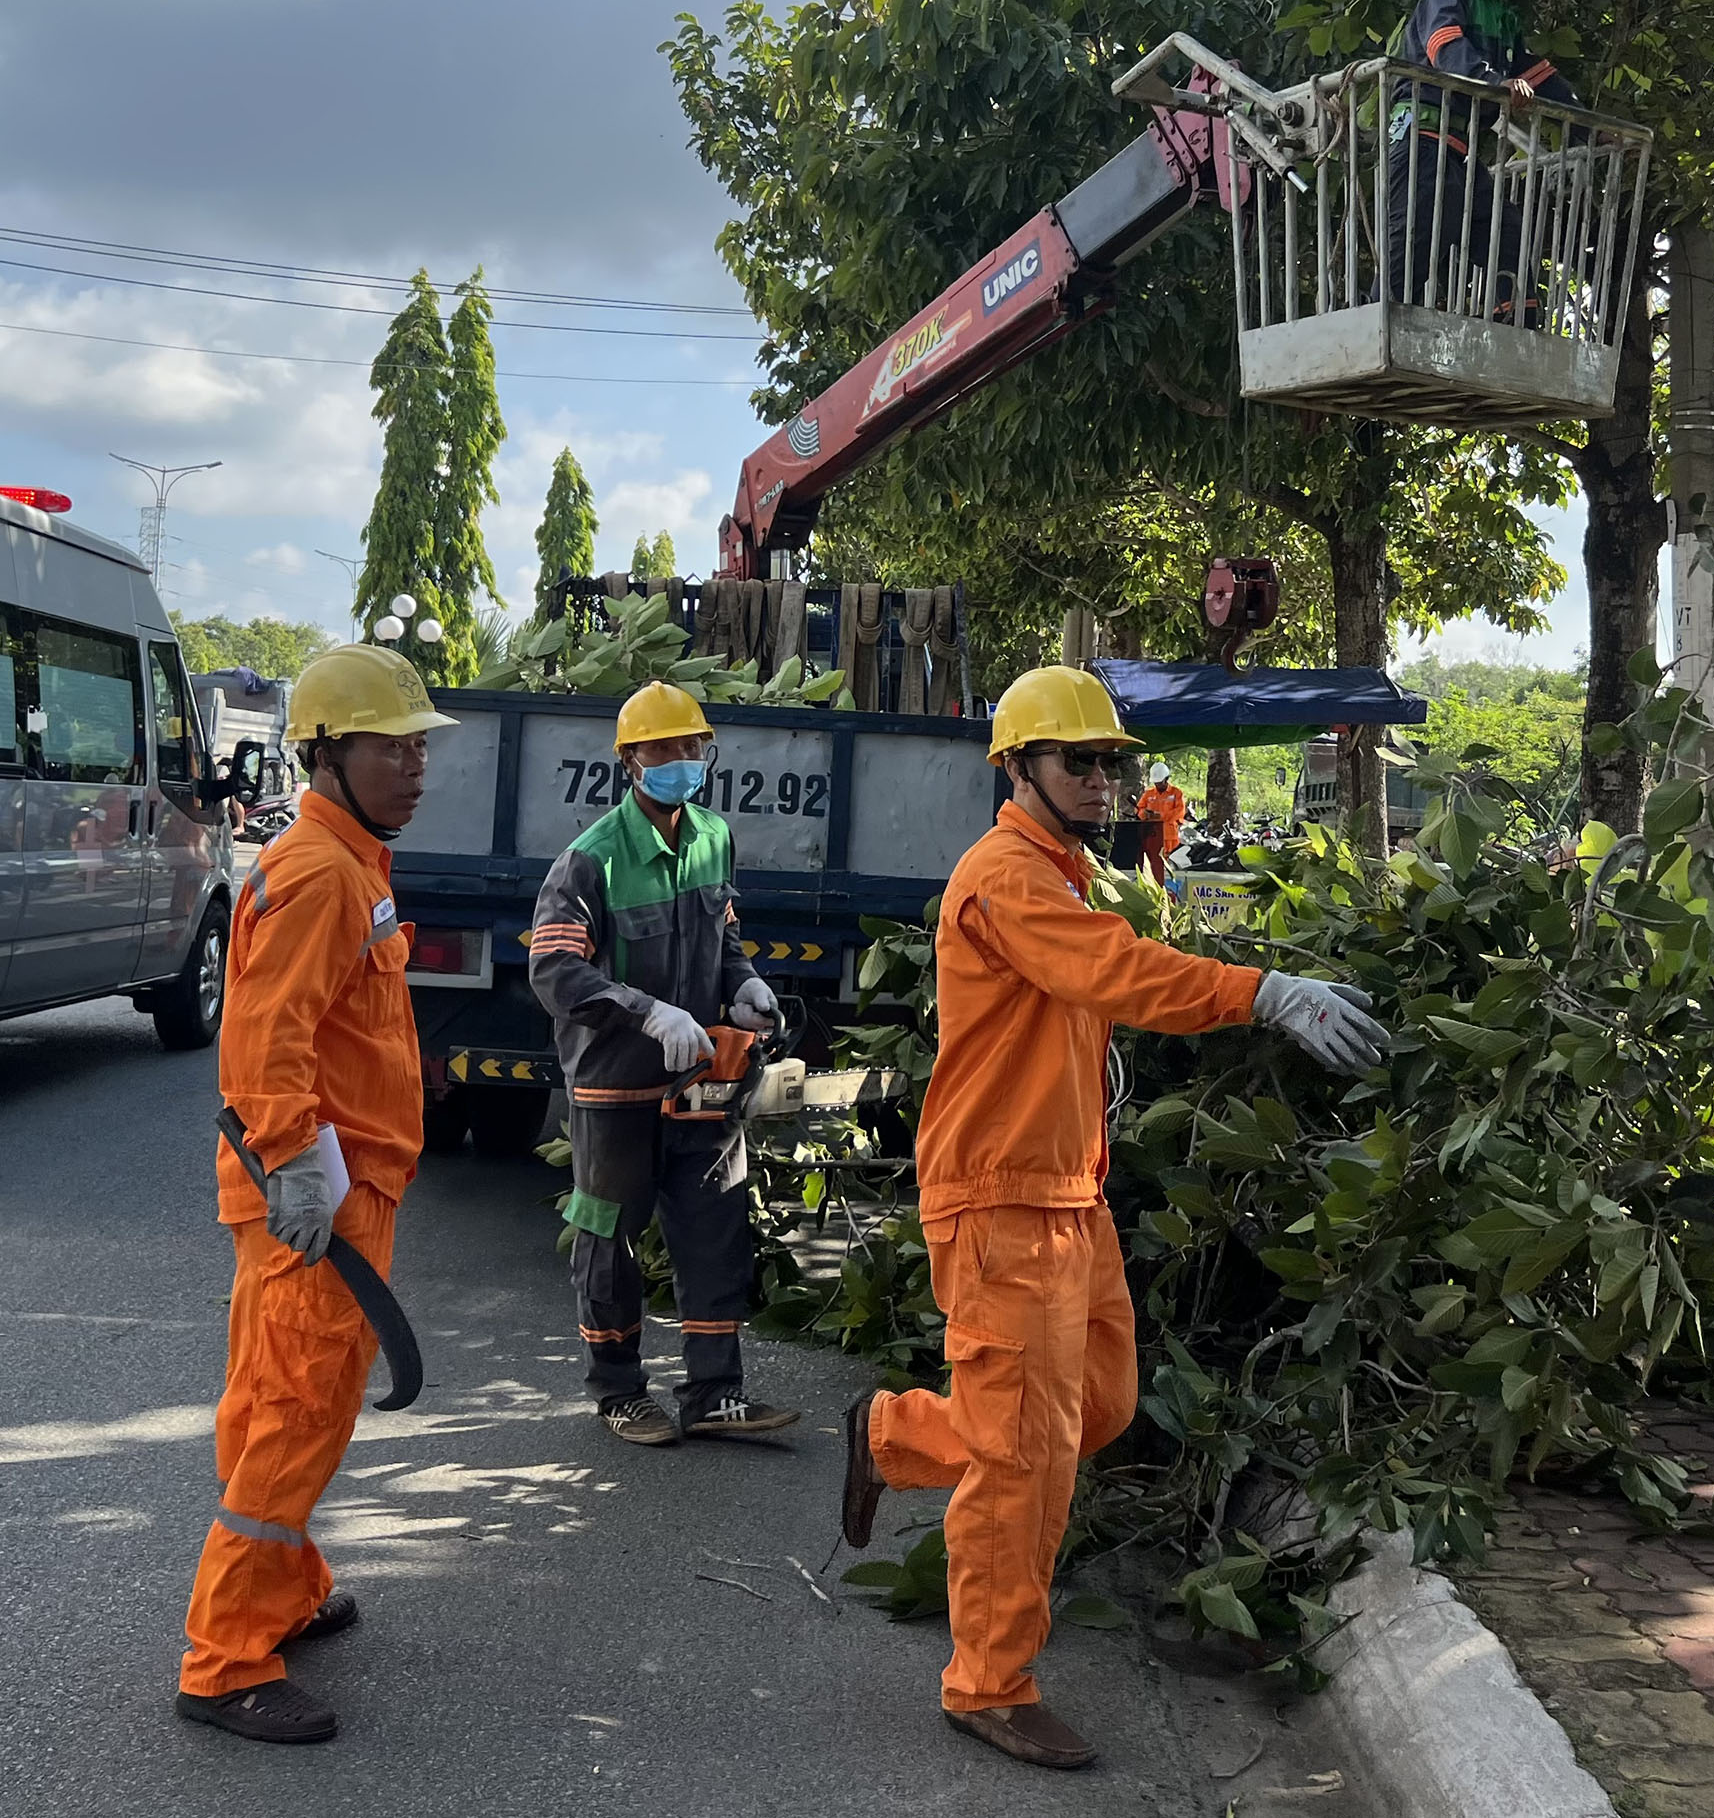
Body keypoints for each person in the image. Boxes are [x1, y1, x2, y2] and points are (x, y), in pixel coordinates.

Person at [838, 667, 1385, 1771]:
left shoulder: (1065, 871)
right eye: (1076, 761)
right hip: (1000, 1198)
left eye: (1109, 762)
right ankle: (987, 1682)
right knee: (1025, 1456)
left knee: (1095, 1407)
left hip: (1063, 1193)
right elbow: (1113, 975)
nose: (1100, 780)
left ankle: (890, 1434)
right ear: (1016, 768)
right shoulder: (1005, 877)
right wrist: (1260, 992)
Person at [176, 643, 456, 1745]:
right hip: (314, 1201)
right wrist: (292, 1157)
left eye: (418, 747)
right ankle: (226, 1658)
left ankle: (283, 1593)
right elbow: (265, 1038)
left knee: (277, 1406)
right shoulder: (319, 872)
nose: (413, 767)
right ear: (326, 753)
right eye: (392, 747)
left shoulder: (349, 861)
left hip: (335, 1190)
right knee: (293, 1414)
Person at [529, 681, 797, 1447]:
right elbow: (554, 974)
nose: (683, 760)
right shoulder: (589, 863)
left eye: (693, 747)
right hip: (614, 1084)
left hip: (703, 1079)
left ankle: (715, 1391)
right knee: (609, 1236)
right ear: (630, 760)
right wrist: (647, 1010)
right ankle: (617, 1390)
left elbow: (728, 936)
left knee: (715, 1228)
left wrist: (742, 985)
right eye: (667, 748)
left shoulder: (713, 836)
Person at [1386, 0, 1578, 312]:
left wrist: (1596, 130)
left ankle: (1517, 324)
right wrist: (1496, 83)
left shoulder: (1506, 19)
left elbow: (1541, 78)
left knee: (1503, 237)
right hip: (1422, 133)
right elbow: (1445, 45)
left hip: (1460, 148)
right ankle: (1379, 321)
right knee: (1416, 240)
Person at [1133, 758, 1187, 883]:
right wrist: (1144, 815)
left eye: (1160, 782)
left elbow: (1179, 812)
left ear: (1166, 779)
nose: (1157, 785)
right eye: (1156, 783)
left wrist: (1159, 816)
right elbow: (1139, 809)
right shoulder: (1148, 794)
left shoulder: (1176, 793)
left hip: (1169, 838)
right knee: (1151, 865)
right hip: (1151, 836)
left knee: (1168, 867)